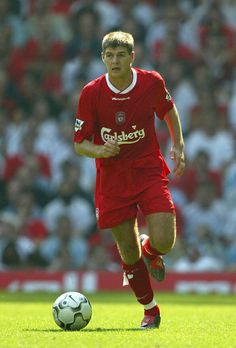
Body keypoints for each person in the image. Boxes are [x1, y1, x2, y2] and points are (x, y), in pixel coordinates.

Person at [73, 31, 185, 329]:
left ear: (132, 57)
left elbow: (169, 112)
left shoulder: (151, 82)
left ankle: (153, 251)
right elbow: (80, 143)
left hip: (147, 169)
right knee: (127, 250)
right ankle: (150, 310)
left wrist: (178, 145)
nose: (115, 61)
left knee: (165, 239)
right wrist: (101, 149)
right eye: (109, 56)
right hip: (112, 178)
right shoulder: (91, 92)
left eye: (121, 55)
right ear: (102, 58)